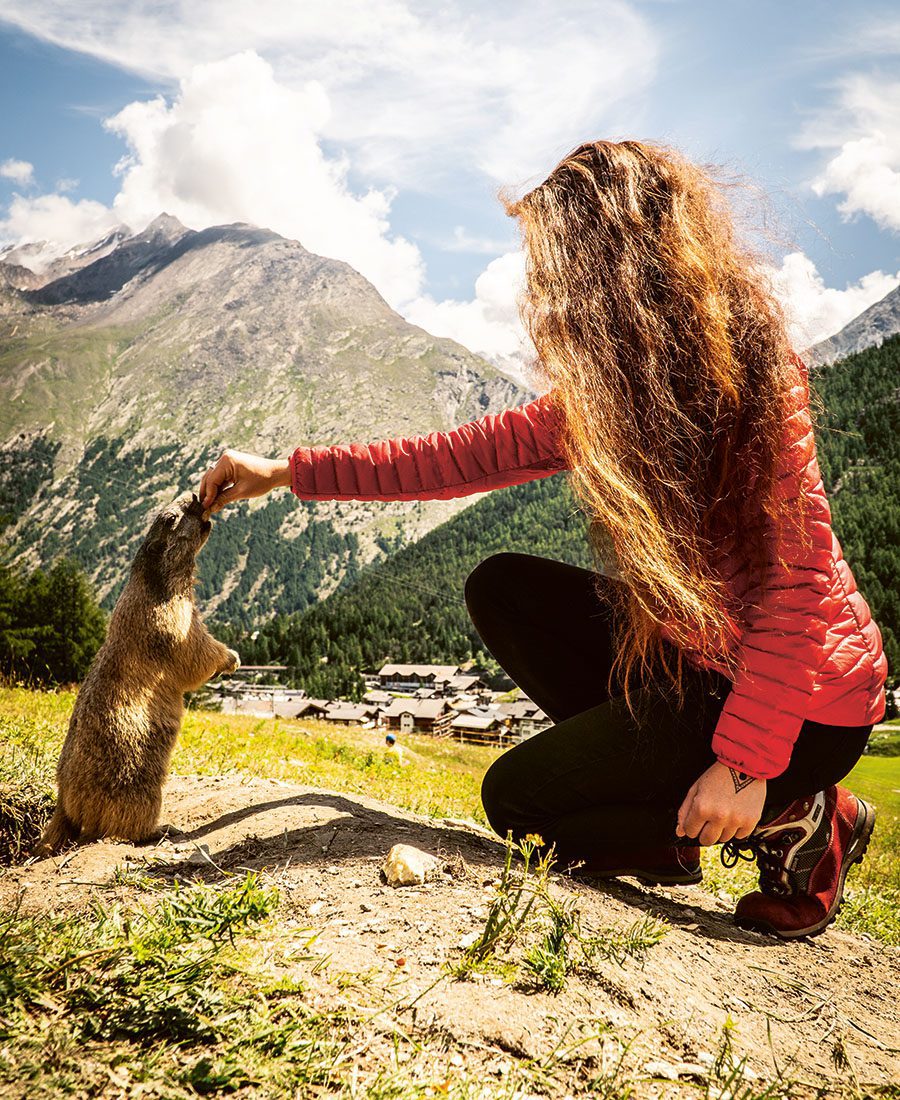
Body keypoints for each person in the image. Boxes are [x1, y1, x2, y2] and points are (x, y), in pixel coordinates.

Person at [198, 139, 888, 940]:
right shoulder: (612, 394)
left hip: (808, 706)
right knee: (502, 587)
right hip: (702, 662)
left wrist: (743, 766)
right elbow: (451, 459)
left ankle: (800, 815)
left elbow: (798, 591)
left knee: (515, 804)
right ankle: (685, 789)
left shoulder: (759, 378)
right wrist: (284, 472)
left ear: (617, 265)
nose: (547, 292)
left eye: (558, 265)